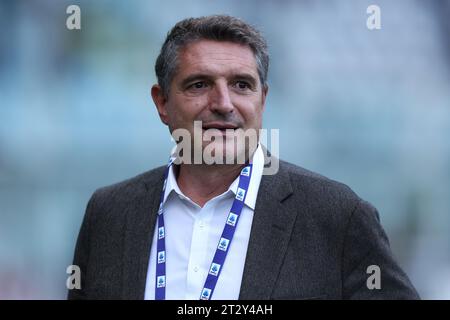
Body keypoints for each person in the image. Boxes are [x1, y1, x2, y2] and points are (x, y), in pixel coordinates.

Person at [68, 15, 419, 300]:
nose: (223, 104)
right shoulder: (109, 213)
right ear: (162, 103)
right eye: (199, 84)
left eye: (241, 85)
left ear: (262, 101)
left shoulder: (337, 215)